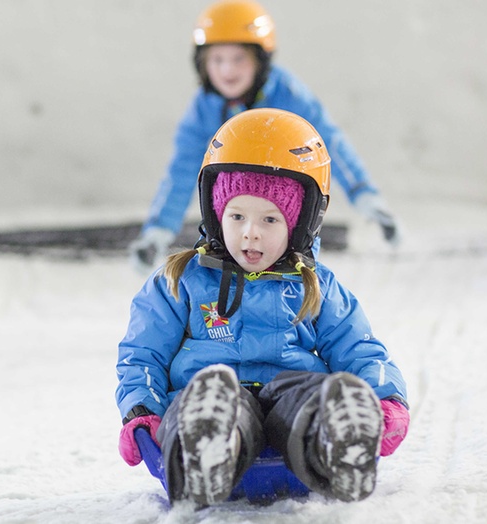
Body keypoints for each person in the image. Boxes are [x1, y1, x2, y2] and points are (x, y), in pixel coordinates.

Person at [115, 108, 409, 507]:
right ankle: (208, 443)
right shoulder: (180, 280)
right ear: (216, 215)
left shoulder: (315, 285)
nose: (250, 232)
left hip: (289, 394)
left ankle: (338, 438)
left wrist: (385, 400)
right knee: (212, 400)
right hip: (210, 390)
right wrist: (141, 411)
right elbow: (142, 354)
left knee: (312, 396)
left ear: (301, 223)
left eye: (270, 219)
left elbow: (359, 347)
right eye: (237, 216)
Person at [129, 0, 398, 274]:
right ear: (202, 64)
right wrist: (158, 232)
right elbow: (182, 171)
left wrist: (366, 197)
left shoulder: (289, 95)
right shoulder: (203, 109)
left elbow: (330, 145)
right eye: (217, 60)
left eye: (238, 59)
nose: (227, 71)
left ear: (260, 60)